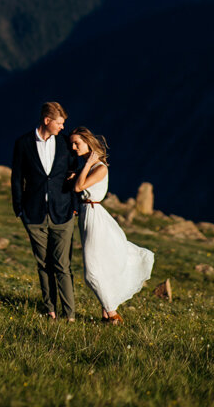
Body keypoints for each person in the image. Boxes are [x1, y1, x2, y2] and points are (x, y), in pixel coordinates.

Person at [70, 128, 155, 323]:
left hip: (95, 217)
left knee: (91, 272)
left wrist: (86, 166)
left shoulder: (99, 167)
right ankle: (107, 316)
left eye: (77, 144)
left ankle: (113, 312)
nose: (74, 148)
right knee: (100, 265)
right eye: (72, 144)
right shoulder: (88, 167)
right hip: (86, 216)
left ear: (88, 143)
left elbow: (78, 187)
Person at [10, 101, 79, 321]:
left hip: (63, 213)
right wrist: (19, 209)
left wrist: (74, 206)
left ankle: (69, 315)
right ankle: (50, 311)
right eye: (59, 123)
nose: (62, 127)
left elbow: (73, 173)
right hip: (34, 214)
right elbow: (16, 177)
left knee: (62, 265)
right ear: (47, 121)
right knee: (43, 264)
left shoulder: (67, 144)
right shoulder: (23, 143)